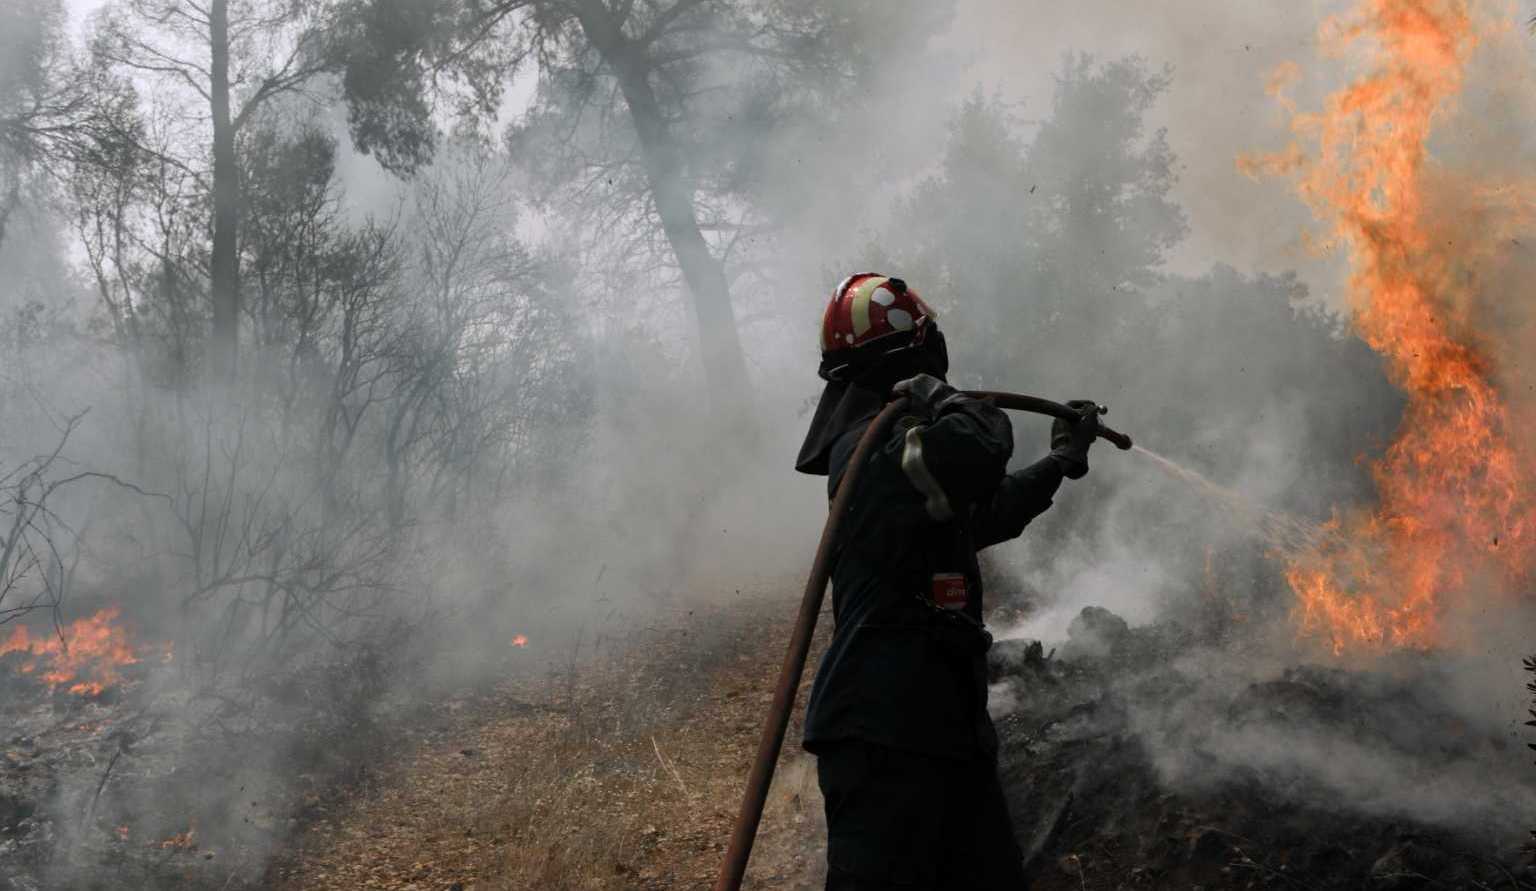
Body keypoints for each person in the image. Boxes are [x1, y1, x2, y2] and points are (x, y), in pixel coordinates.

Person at [794, 273, 1099, 890]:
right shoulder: (869, 455)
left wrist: (1059, 465)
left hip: (942, 731)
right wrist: (947, 398)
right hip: (883, 741)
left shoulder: (904, 461)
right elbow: (979, 448)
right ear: (914, 353)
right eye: (930, 342)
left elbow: (982, 513)